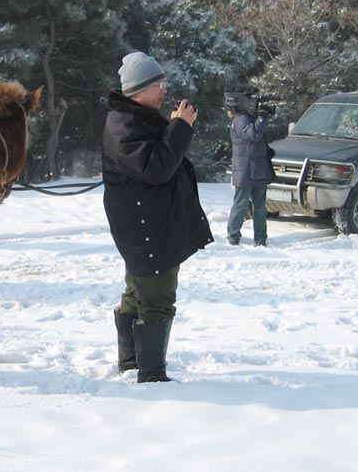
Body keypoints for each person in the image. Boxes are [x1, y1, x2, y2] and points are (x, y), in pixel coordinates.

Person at [102, 51, 214, 383]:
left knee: (138, 293)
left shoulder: (135, 119)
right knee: (157, 299)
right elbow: (157, 168)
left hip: (147, 227)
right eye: (158, 85)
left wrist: (176, 125)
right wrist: (180, 126)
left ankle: (132, 364)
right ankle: (151, 377)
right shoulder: (124, 127)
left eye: (164, 83)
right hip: (147, 231)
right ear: (139, 89)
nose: (165, 90)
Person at [226, 96, 273, 247]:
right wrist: (262, 118)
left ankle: (260, 238)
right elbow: (253, 134)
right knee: (240, 204)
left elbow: (258, 138)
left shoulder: (249, 118)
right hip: (245, 169)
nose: (255, 106)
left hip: (257, 168)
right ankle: (233, 236)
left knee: (260, 206)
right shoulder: (241, 119)